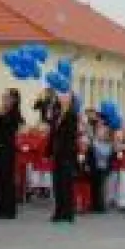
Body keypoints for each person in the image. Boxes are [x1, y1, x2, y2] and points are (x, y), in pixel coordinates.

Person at [0, 89, 23, 220]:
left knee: (6, 179)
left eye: (6, 98)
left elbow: (10, 124)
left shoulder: (14, 113)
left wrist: (0, 114)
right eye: (3, 97)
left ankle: (8, 210)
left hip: (6, 150)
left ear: (13, 100)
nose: (4, 100)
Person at [49, 91, 78, 224]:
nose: (62, 98)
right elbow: (53, 134)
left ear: (70, 99)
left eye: (65, 96)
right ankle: (58, 211)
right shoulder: (56, 114)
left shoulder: (72, 115)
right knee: (57, 183)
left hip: (67, 154)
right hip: (57, 154)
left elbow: (71, 136)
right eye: (61, 96)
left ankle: (68, 212)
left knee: (66, 184)